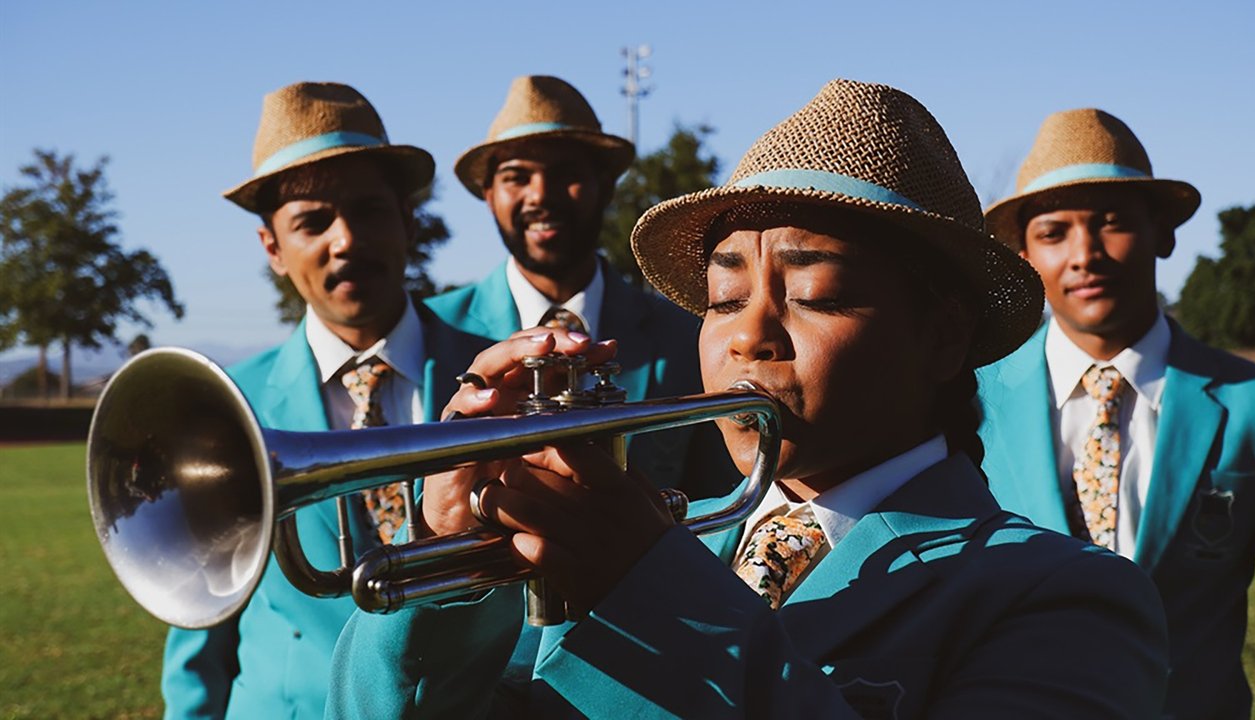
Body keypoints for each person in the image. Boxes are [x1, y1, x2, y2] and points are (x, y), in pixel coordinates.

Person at [325, 79, 1170, 719]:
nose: (747, 336)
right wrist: (445, 564)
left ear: (943, 338)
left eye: (818, 293)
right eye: (723, 301)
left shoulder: (1066, 596)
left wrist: (648, 585)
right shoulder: (673, 536)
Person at [161, 81, 464, 719]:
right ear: (272, 248)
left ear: (409, 222)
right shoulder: (223, 404)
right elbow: (198, 630)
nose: (346, 239)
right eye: (312, 221)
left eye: (371, 210)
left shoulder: (498, 376)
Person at [977, 108, 1255, 719]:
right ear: (1024, 252)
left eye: (1112, 224)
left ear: (1164, 233)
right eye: (1054, 232)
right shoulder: (966, 403)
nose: (1085, 254)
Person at [430, 75, 734, 499]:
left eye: (565, 174)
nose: (541, 195)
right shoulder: (429, 335)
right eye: (517, 177)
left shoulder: (685, 336)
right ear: (488, 194)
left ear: (606, 186)